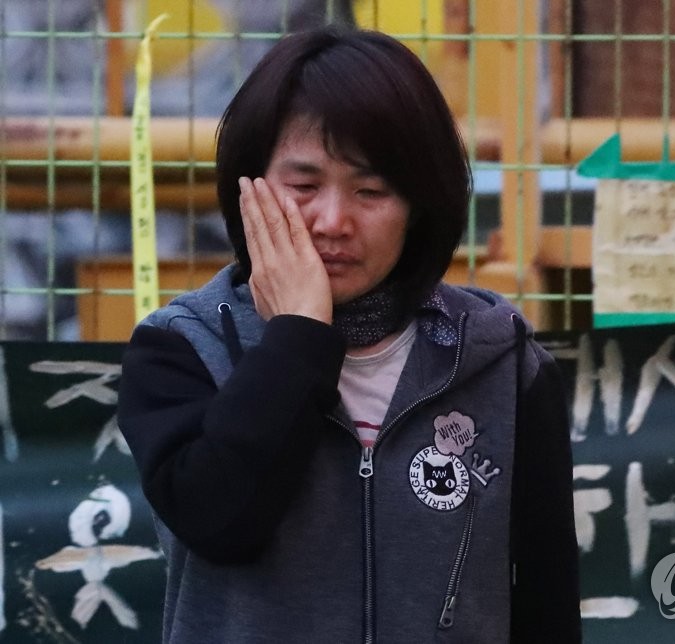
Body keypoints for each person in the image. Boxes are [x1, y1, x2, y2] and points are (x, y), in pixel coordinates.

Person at [117, 26, 581, 643]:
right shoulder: (181, 348)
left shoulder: (502, 362)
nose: (333, 221)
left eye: (370, 190)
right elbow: (220, 522)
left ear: (419, 206)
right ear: (248, 189)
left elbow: (548, 604)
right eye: (304, 187)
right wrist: (299, 334)